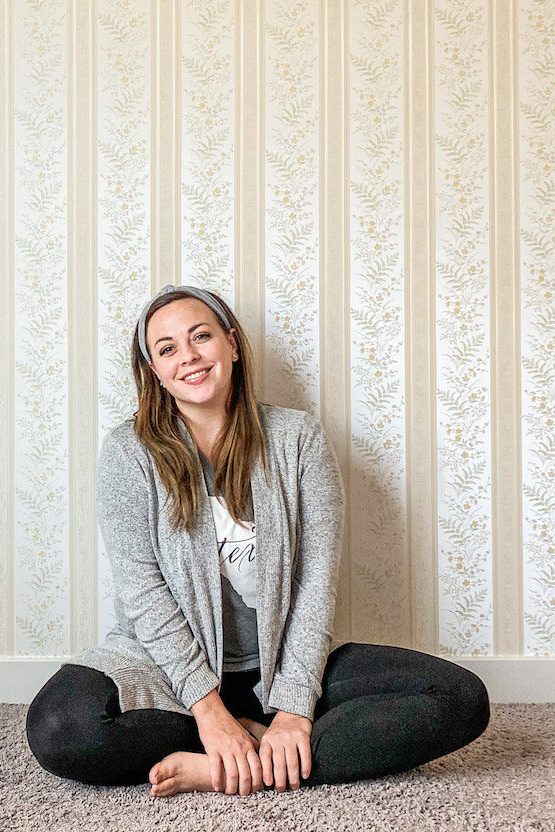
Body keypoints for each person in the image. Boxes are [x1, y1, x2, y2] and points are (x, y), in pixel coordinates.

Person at [25, 284, 490, 797]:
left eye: (201, 337)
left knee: (459, 697)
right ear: (154, 371)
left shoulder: (298, 440)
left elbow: (315, 584)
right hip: (170, 671)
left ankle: (222, 766)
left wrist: (293, 710)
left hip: (281, 665)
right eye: (168, 348)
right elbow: (143, 594)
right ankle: (240, 743)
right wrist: (210, 712)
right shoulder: (128, 452)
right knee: (60, 728)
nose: (190, 357)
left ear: (232, 344)